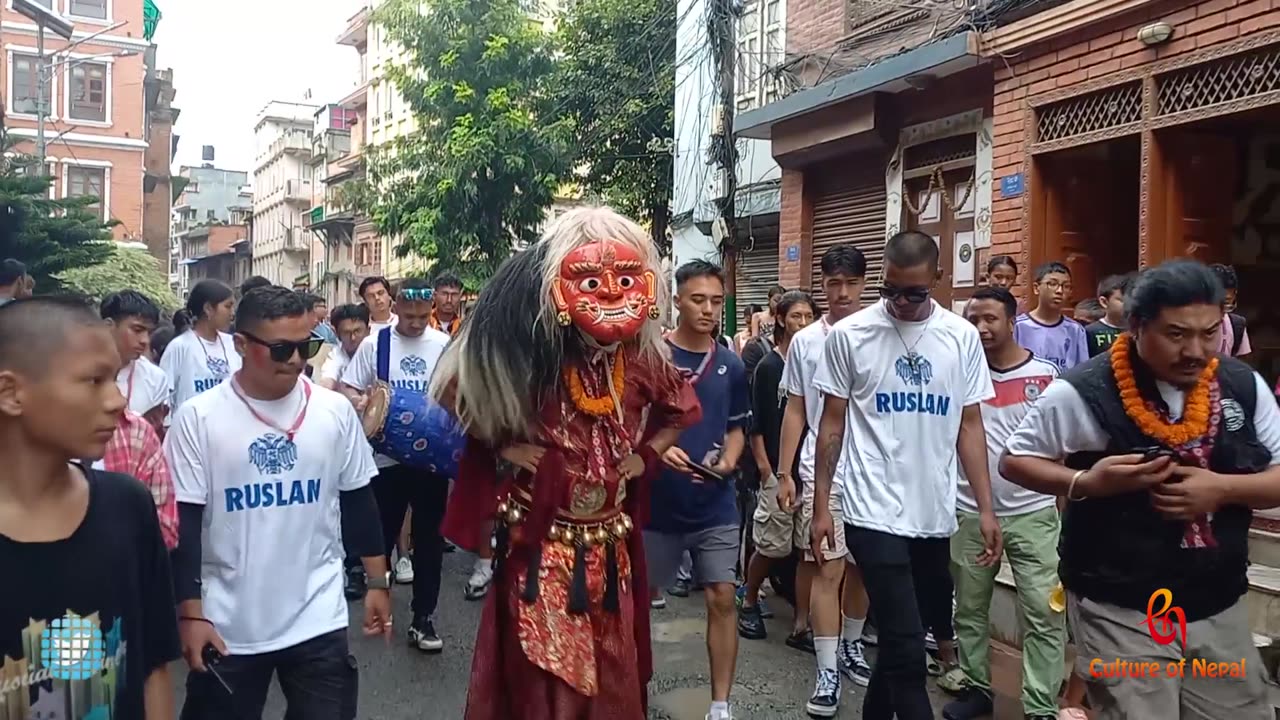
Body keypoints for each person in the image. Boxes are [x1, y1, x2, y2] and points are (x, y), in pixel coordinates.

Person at [433, 206, 700, 720]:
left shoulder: (643, 360)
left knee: (611, 666)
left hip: (609, 540)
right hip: (541, 542)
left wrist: (646, 456)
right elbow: (453, 389)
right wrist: (504, 446)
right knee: (544, 671)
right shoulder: (530, 355)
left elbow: (679, 412)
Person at [1001, 259, 1280, 719]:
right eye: (1176, 334)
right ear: (1137, 326)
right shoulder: (1083, 390)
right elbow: (1015, 460)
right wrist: (1085, 482)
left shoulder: (1241, 385)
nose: (1196, 350)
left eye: (1209, 333)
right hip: (1120, 604)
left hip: (1217, 602)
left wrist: (1222, 490)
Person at [166, 286, 392, 720]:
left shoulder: (334, 412)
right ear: (241, 346)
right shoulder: (199, 419)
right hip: (228, 624)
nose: (295, 360)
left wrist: (378, 584)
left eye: (306, 346)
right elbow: (186, 525)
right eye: (281, 349)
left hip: (318, 615)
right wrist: (191, 615)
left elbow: (358, 499)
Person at [811, 230, 1002, 720]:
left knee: (896, 644)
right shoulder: (851, 336)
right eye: (889, 290)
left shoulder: (960, 337)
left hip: (933, 511)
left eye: (914, 293)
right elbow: (831, 423)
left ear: (936, 281)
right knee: (908, 644)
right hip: (870, 509)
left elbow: (970, 425)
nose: (900, 302)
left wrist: (985, 508)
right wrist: (820, 507)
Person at [0, 297, 180, 719]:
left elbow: (151, 664)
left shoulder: (128, 506)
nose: (116, 401)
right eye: (94, 381)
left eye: (114, 380)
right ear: (11, 393)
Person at [745, 247, 875, 715]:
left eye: (850, 284)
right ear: (822, 284)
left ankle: (852, 645)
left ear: (864, 284)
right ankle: (825, 671)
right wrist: (784, 473)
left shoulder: (879, 333)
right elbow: (795, 411)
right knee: (827, 566)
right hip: (823, 473)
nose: (841, 293)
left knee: (862, 569)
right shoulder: (806, 343)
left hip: (875, 474)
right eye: (833, 283)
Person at [943, 287, 1065, 720]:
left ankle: (1041, 706)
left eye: (991, 318)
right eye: (973, 318)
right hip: (969, 510)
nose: (981, 327)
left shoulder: (1048, 377)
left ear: (1013, 321)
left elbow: (1061, 448)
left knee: (1044, 612)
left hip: (1033, 513)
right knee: (970, 608)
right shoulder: (956, 375)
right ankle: (977, 686)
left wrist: (1060, 508)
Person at [646, 260, 749, 720]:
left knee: (722, 597)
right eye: (697, 299)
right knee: (635, 601)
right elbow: (626, 426)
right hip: (655, 506)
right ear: (678, 299)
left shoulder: (731, 364)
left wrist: (728, 461)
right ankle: (631, 690)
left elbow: (737, 426)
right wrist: (655, 450)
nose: (708, 310)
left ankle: (720, 704)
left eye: (715, 301)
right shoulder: (651, 358)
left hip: (715, 505)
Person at [341, 277, 452, 652]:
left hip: (431, 461)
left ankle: (423, 618)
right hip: (387, 459)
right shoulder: (377, 343)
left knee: (430, 540)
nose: (417, 323)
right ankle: (378, 603)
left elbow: (457, 392)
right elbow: (348, 386)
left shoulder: (443, 344)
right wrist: (361, 402)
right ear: (396, 308)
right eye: (410, 316)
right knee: (382, 535)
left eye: (423, 316)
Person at [738, 291, 817, 635]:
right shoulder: (770, 367)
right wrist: (768, 472)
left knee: (806, 552)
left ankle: (801, 624)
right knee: (771, 544)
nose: (802, 323)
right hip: (776, 471)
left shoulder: (817, 361)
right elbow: (756, 426)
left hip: (809, 469)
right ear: (781, 320)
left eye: (808, 316)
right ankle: (750, 598)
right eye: (796, 316)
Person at [161, 280, 240, 414]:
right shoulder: (180, 347)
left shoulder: (233, 344)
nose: (232, 313)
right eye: (228, 306)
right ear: (208, 308)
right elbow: (164, 395)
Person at [103, 290, 172, 431]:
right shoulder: (77, 372)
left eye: (149, 332)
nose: (145, 340)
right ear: (108, 326)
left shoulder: (155, 378)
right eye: (137, 330)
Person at [1014, 261, 1088, 372]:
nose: (1059, 291)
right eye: (1052, 284)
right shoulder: (1018, 327)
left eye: (1066, 286)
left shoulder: (1075, 330)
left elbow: (1082, 371)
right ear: (1036, 288)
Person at [318, 304, 371, 391]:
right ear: (337, 334)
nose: (353, 338)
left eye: (357, 331)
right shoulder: (336, 356)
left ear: (368, 330)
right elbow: (328, 378)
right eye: (346, 333)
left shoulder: (379, 351)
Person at [1210, 263, 1252, 358]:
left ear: (1234, 294)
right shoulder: (1190, 324)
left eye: (1226, 301)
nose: (1220, 308)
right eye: (1216, 301)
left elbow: (1242, 367)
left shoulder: (1237, 325)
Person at [1085, 274, 1130, 358]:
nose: (1127, 304)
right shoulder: (1090, 332)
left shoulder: (1136, 330)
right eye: (1121, 300)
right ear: (1104, 302)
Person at [429, 271, 465, 336]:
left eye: (454, 294)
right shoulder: (424, 324)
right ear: (434, 296)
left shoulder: (464, 327)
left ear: (460, 297)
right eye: (444, 294)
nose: (449, 300)